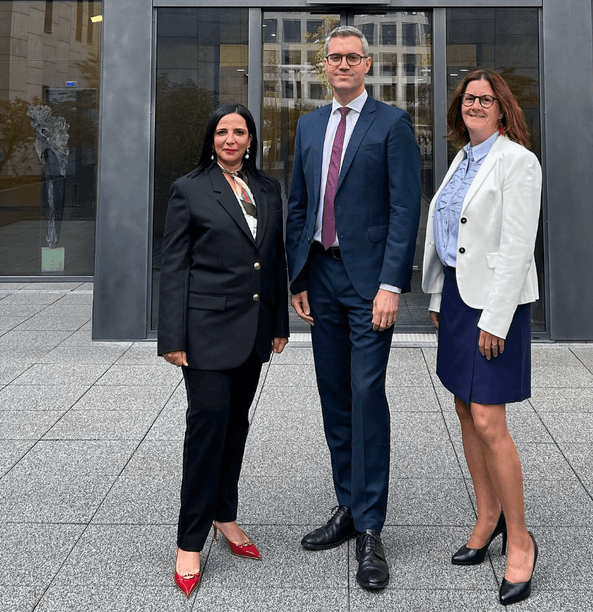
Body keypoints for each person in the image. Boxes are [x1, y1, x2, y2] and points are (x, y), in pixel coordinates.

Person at [286, 25, 420, 591]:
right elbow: (299, 203)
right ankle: (346, 506)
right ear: (325, 67)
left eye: (351, 57)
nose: (342, 65)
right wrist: (296, 277)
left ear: (368, 65)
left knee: (367, 396)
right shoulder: (309, 125)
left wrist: (391, 284)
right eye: (333, 58)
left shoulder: (391, 124)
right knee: (335, 394)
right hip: (321, 276)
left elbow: (404, 208)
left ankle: (370, 528)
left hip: (369, 286)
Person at [158, 103, 289, 598]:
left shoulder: (269, 190)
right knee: (207, 426)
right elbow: (174, 266)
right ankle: (190, 540)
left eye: (239, 131)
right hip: (205, 332)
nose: (230, 139)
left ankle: (224, 516)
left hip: (253, 332)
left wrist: (279, 324)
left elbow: (272, 262)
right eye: (222, 132)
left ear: (251, 139)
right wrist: (172, 338)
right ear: (211, 139)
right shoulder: (189, 189)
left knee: (236, 426)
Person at [421, 69, 541, 606]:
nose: (474, 105)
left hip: (496, 306)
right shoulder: (462, 158)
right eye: (468, 98)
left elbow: (517, 245)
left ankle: (520, 541)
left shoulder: (517, 161)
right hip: (457, 299)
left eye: (484, 99)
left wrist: (495, 316)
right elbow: (452, 236)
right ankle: (486, 517)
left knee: (491, 419)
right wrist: (435, 298)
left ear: (501, 108)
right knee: (465, 410)